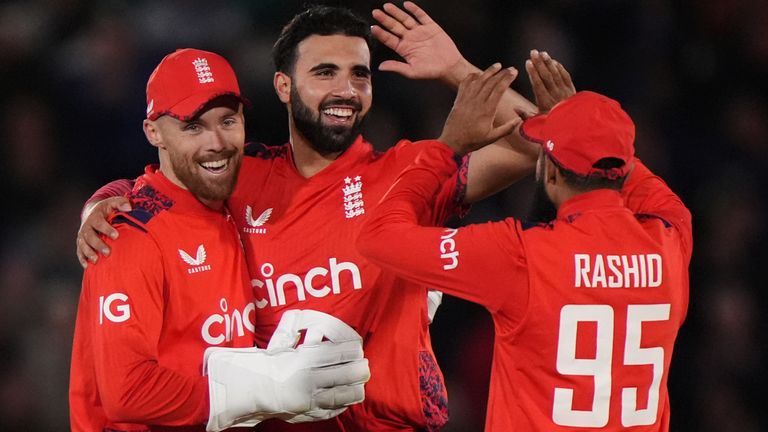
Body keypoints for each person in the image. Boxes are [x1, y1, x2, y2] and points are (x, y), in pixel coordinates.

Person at [74, 4, 574, 431]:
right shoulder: (238, 175)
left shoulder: (411, 174)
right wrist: (99, 205)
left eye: (360, 74)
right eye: (324, 72)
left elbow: (544, 148)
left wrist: (458, 70)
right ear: (284, 86)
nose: (346, 89)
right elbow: (165, 183)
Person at [69, 48, 370, 432]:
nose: (217, 142)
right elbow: (126, 392)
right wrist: (264, 387)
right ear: (154, 132)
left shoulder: (239, 196)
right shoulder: (127, 237)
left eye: (228, 120)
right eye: (193, 126)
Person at [358, 88, 692, 431]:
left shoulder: (520, 253)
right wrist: (585, 128)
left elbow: (378, 236)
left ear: (548, 171)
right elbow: (638, 179)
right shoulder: (671, 240)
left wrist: (444, 149)